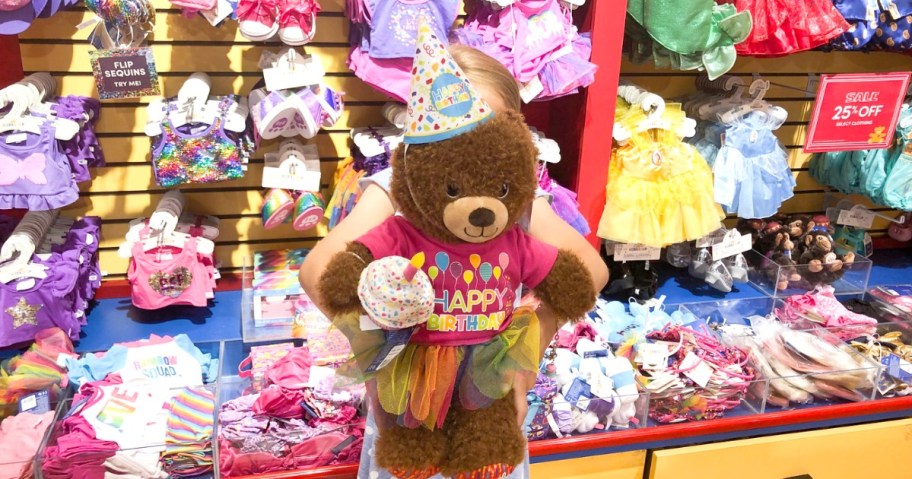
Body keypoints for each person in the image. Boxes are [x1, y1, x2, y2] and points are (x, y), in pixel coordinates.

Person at [299, 44, 608, 478]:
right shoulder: (394, 189)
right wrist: (378, 351)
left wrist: (526, 352)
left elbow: (590, 270)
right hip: (411, 400)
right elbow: (318, 271)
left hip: (485, 396)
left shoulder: (514, 197)